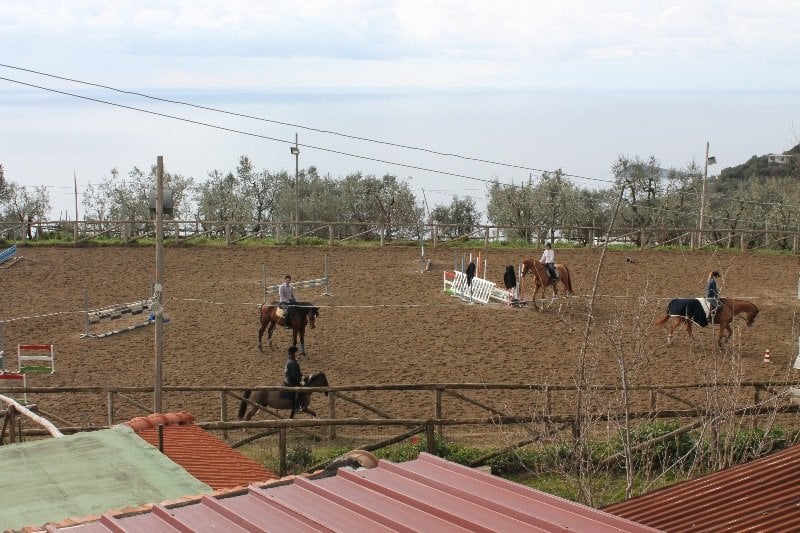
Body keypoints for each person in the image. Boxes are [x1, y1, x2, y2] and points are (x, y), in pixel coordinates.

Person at [283, 346, 303, 412]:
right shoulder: (293, 362)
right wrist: (301, 381)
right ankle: (297, 407)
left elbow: (297, 372)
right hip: (291, 381)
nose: (297, 354)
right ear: (293, 353)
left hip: (289, 378)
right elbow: (295, 375)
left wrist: (302, 376)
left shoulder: (290, 360)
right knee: (300, 390)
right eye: (296, 352)